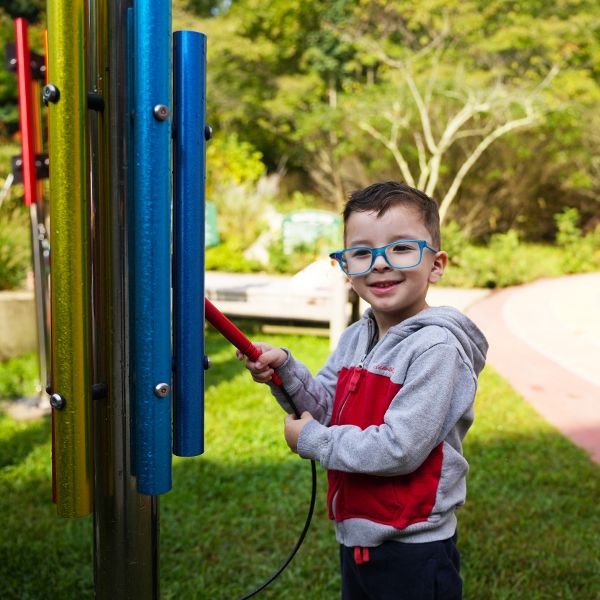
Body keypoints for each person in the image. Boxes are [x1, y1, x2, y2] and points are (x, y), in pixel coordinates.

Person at [238, 181, 488, 599]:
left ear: (437, 264)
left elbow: (400, 448)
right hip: (358, 536)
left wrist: (313, 441)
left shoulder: (437, 348)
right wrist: (285, 370)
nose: (380, 264)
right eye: (361, 252)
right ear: (345, 266)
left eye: (401, 248)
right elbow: (326, 407)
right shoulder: (356, 337)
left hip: (413, 547)